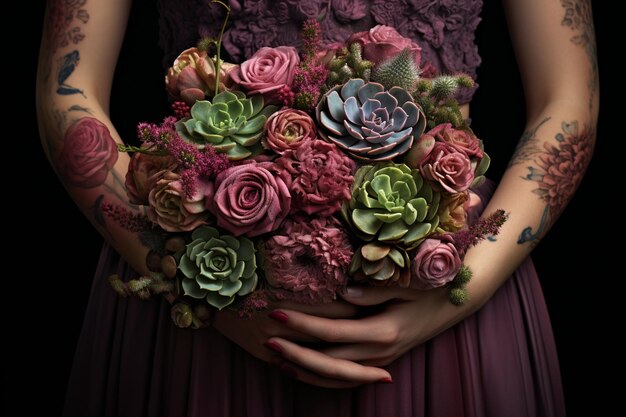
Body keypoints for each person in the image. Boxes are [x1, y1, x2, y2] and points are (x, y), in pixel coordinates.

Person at [37, 0, 597, 416]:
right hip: (201, 289)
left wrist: (463, 289)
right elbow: (66, 89)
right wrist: (195, 281)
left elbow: (567, 100)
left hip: (440, 279)